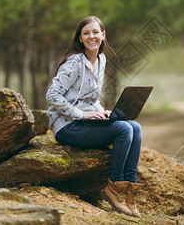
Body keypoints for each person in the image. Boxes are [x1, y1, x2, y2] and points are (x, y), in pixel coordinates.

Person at [46, 16, 143, 218]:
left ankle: (130, 192)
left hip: (85, 122)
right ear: (80, 39)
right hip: (67, 127)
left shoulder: (101, 59)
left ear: (103, 35)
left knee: (134, 126)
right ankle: (114, 188)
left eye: (95, 32)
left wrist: (102, 111)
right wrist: (82, 114)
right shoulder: (74, 63)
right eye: (86, 33)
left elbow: (91, 98)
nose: (92, 36)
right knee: (124, 129)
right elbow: (52, 95)